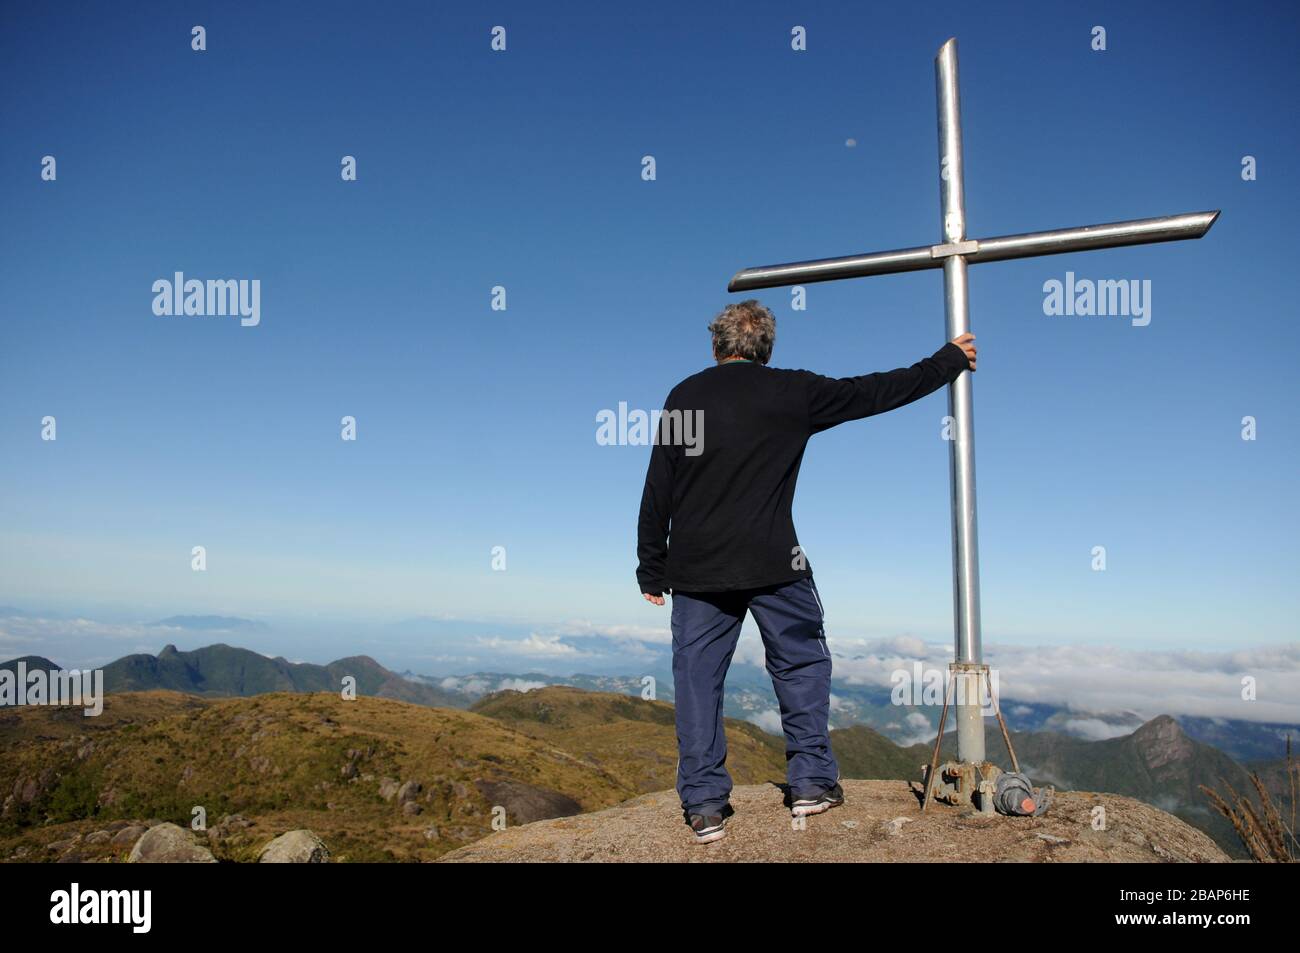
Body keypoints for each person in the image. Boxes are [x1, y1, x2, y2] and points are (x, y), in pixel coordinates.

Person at [636, 299, 977, 843]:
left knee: (698, 681)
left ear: (716, 346)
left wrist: (651, 567)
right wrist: (947, 361)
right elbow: (876, 391)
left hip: (697, 569)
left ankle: (704, 806)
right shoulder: (793, 391)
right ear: (766, 350)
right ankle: (812, 783)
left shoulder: (685, 396)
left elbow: (659, 486)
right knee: (800, 667)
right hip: (776, 561)